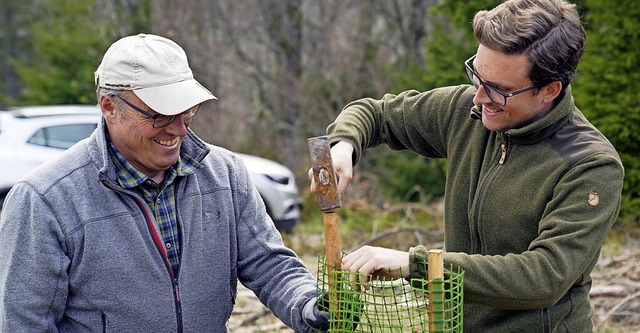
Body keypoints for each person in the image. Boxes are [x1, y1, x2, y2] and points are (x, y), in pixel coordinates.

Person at [312, 0, 624, 332]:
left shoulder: (590, 166)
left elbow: (545, 276)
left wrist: (416, 265)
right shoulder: (467, 111)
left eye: (499, 90)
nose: (479, 97)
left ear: (549, 90)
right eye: (477, 74)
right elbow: (376, 115)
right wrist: (342, 145)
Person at [0, 33, 329, 332]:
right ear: (109, 107)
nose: (179, 130)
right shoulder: (44, 200)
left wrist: (308, 304)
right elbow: (24, 323)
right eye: (159, 114)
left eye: (186, 111)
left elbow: (267, 262)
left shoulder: (225, 174)